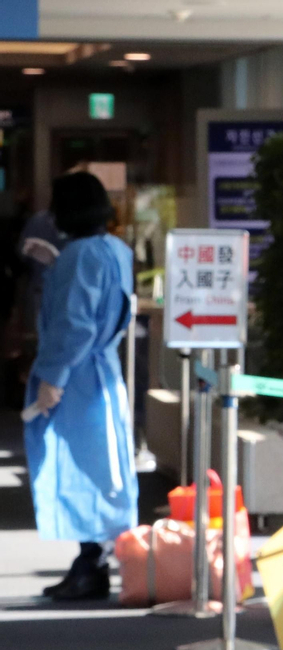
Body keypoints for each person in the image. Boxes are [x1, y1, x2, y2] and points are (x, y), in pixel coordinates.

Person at [23, 172, 136, 600]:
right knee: (104, 469)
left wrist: (53, 378)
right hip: (103, 372)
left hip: (78, 378)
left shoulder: (77, 257)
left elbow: (74, 323)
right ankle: (94, 562)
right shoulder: (115, 250)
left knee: (77, 470)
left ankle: (90, 564)